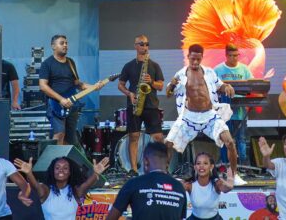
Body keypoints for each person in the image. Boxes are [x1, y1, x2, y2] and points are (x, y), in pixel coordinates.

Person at [165, 43, 247, 186]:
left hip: (209, 116)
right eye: (193, 59)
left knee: (230, 142)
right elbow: (168, 94)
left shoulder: (209, 72)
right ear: (188, 57)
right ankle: (164, 176)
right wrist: (171, 85)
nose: (195, 62)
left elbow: (219, 85)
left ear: (202, 57)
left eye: (198, 59)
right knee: (168, 143)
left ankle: (233, 175)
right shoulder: (180, 74)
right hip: (188, 117)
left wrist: (226, 86)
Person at [40, 34, 102, 145]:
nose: (65, 45)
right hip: (56, 105)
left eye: (66, 43)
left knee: (70, 138)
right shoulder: (47, 64)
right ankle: (55, 156)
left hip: (72, 105)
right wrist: (61, 99)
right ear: (53, 46)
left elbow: (77, 84)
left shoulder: (70, 62)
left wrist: (93, 87)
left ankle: (66, 156)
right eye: (62, 43)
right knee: (59, 133)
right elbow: (43, 86)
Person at [117, 35, 165, 176]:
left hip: (151, 105)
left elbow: (161, 86)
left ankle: (161, 167)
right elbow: (120, 85)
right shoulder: (129, 66)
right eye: (142, 44)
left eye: (147, 44)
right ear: (136, 46)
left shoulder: (154, 65)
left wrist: (151, 82)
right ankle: (133, 169)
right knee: (134, 136)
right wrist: (129, 94)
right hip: (135, 104)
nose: (145, 47)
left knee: (158, 137)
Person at [106, 142, 187, 220]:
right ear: (167, 162)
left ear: (146, 162)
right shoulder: (179, 187)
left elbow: (112, 217)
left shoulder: (133, 184)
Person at [14, 155, 110, 219]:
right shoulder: (46, 190)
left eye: (65, 168)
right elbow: (35, 185)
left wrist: (96, 174)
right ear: (53, 171)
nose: (61, 170)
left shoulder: (75, 191)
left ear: (70, 172)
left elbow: (87, 184)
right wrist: (29, 173)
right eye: (57, 168)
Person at [214, 43, 253, 165]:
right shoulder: (218, 69)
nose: (233, 58)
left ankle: (242, 165)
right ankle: (225, 163)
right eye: (231, 55)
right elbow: (212, 87)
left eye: (236, 55)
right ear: (226, 55)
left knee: (241, 138)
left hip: (240, 111)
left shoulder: (244, 69)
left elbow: (252, 85)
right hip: (224, 112)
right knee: (224, 138)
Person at [183, 152, 234, 220]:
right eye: (198, 163)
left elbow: (226, 189)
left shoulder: (217, 184)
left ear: (211, 166)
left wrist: (230, 182)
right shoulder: (190, 185)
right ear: (195, 167)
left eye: (205, 163)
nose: (201, 166)